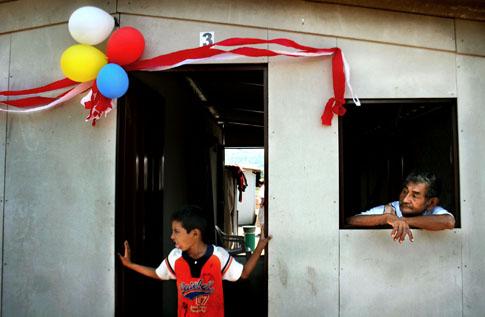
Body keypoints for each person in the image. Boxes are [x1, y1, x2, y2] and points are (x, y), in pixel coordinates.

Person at [118, 205, 271, 317]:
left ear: (195, 234)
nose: (172, 236)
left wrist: (260, 247)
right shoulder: (175, 257)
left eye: (176, 232)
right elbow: (158, 274)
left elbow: (243, 274)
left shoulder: (218, 256)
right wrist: (130, 265)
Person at [347, 171, 455, 243]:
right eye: (404, 191)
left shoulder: (433, 211)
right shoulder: (391, 209)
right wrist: (386, 218)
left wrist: (402, 221)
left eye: (415, 195)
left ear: (431, 203)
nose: (405, 199)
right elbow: (351, 220)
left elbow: (448, 221)